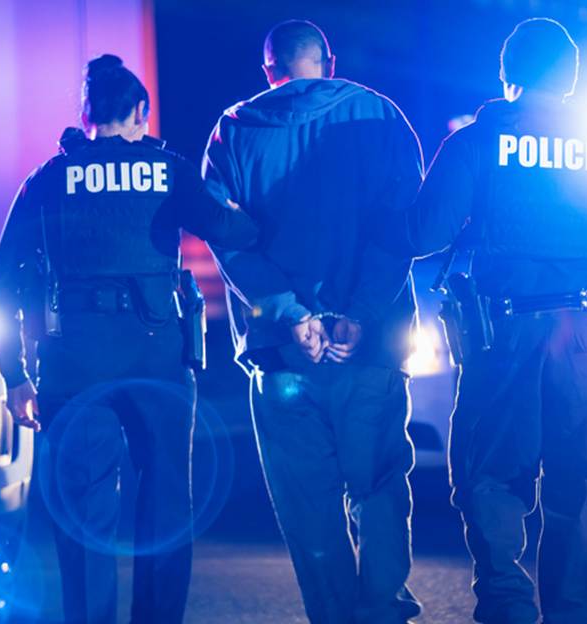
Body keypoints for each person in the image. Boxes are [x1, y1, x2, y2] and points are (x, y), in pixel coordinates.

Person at [393, 18, 587, 624]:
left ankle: (505, 609)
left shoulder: (477, 143)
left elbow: (421, 236)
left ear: (506, 78)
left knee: (491, 478)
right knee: (579, 486)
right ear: (573, 81)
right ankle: (572, 615)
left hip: (501, 340)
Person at [0, 54, 257, 624]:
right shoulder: (167, 169)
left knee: (84, 517)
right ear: (140, 112)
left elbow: (2, 286)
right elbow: (233, 228)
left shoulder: (46, 180)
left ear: (86, 116)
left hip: (70, 366)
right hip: (156, 357)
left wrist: (15, 376)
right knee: (164, 508)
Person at [202, 19, 423, 624]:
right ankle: (382, 610)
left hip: (283, 357)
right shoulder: (379, 116)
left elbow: (227, 238)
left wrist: (290, 314)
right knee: (377, 485)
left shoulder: (235, 130)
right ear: (327, 61)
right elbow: (402, 228)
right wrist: (361, 312)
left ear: (269, 68)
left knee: (307, 505)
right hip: (369, 348)